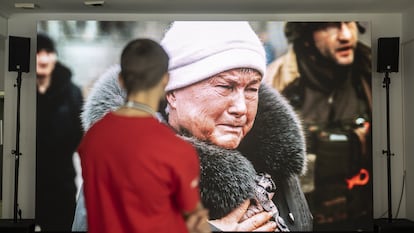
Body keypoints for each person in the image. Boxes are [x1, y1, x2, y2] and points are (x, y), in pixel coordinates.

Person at [73, 21, 313, 232]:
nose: (241, 107)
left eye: (251, 89)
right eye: (225, 87)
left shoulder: (276, 165)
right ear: (172, 93)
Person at [78, 38, 210, 233]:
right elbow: (194, 223)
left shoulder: (92, 139)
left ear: (121, 79)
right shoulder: (177, 149)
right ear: (165, 80)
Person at [264, 22, 372, 230]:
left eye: (349, 23)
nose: (346, 35)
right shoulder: (274, 82)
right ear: (306, 34)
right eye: (330, 26)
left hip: (362, 216)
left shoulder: (368, 71)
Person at [36, 33, 84, 231]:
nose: (44, 58)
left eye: (48, 52)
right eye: (38, 53)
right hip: (28, 178)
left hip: (60, 181)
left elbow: (80, 134)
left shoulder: (71, 91)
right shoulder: (21, 90)